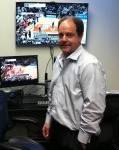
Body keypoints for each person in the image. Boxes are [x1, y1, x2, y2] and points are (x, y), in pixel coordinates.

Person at [42, 16, 106, 150]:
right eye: (61, 35)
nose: (64, 39)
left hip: (76, 137)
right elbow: (53, 95)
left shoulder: (89, 64)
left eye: (69, 35)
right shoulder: (59, 60)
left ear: (80, 36)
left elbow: (94, 106)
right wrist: (49, 120)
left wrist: (83, 138)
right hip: (58, 129)